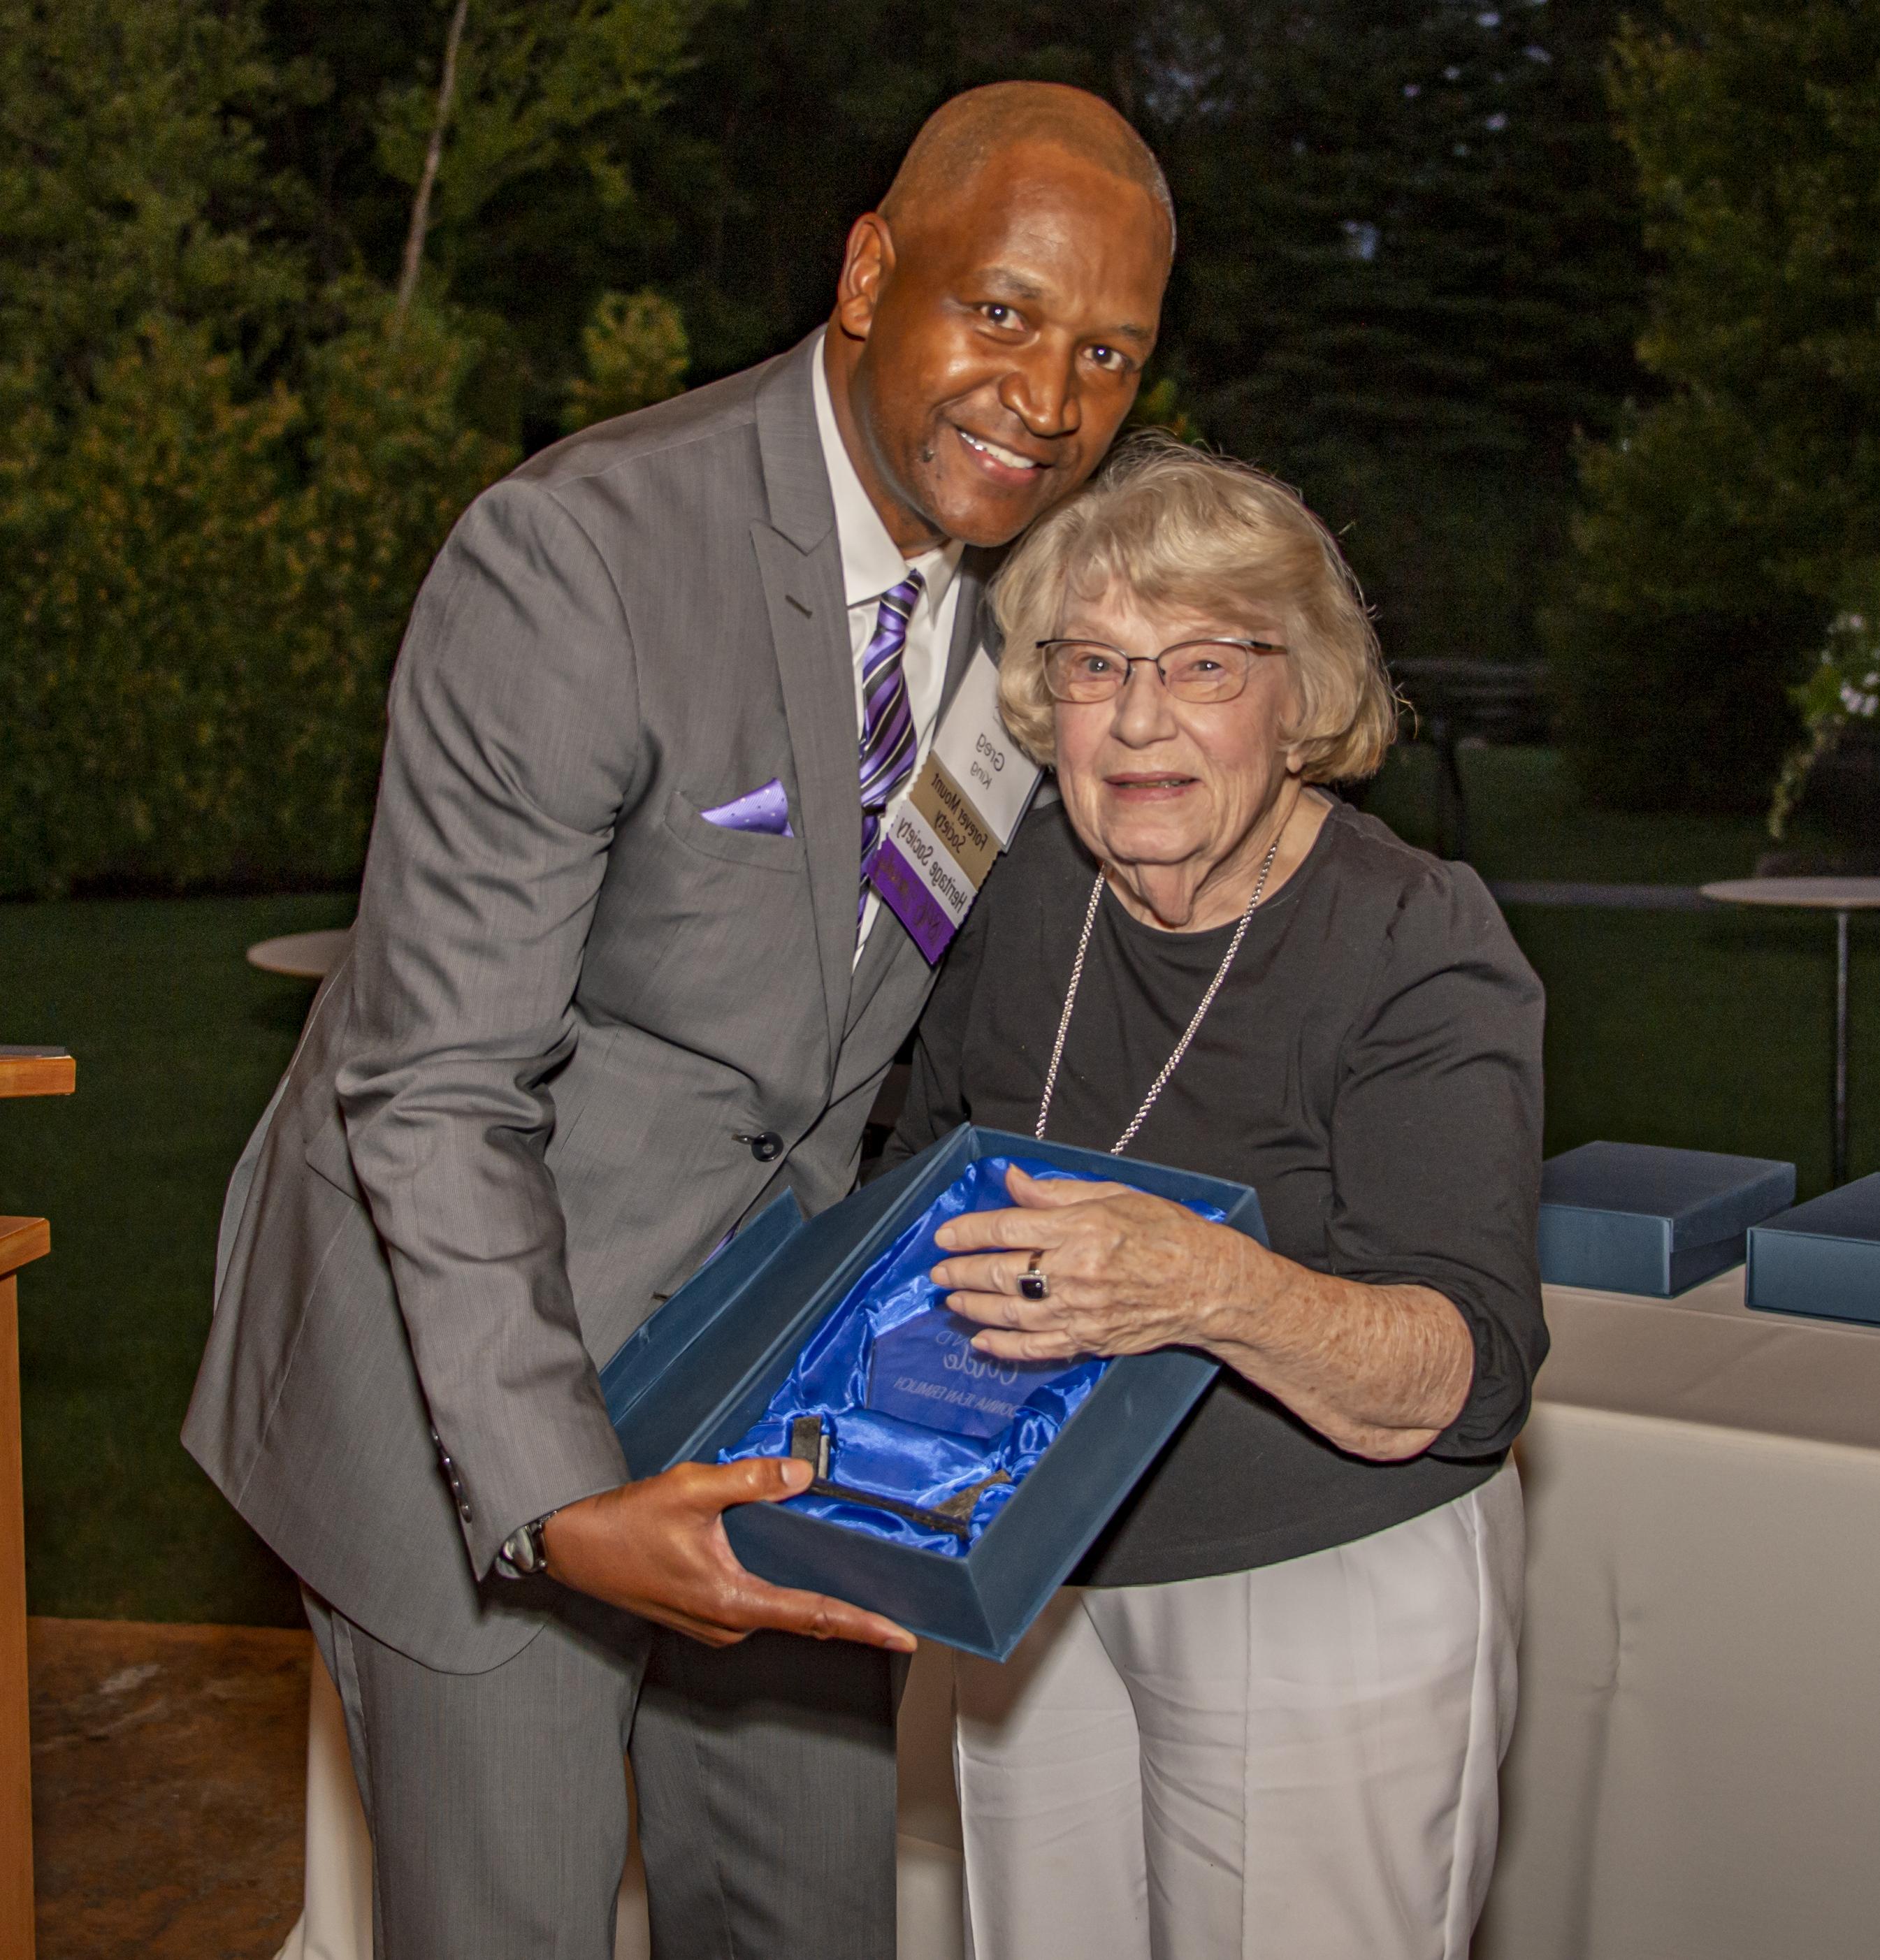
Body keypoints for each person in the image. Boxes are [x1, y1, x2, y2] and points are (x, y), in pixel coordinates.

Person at [184, 84, 1174, 1960]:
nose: (1049, 398)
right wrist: (560, 1499)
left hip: (768, 1375)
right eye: (1007, 314)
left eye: (1108, 351)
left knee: (809, 1911)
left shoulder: (1036, 595)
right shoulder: (582, 555)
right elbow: (433, 1075)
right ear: (876, 271)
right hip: (465, 1360)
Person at [882, 435, 1547, 1960]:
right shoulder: (1024, 882)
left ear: (1300, 693)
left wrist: (1204, 1282)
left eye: (1199, 664)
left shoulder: (1411, 939)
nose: (1133, 717)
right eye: (1092, 662)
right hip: (1029, 1563)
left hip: (1313, 1577)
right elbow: (916, 1168)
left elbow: (1460, 1370)